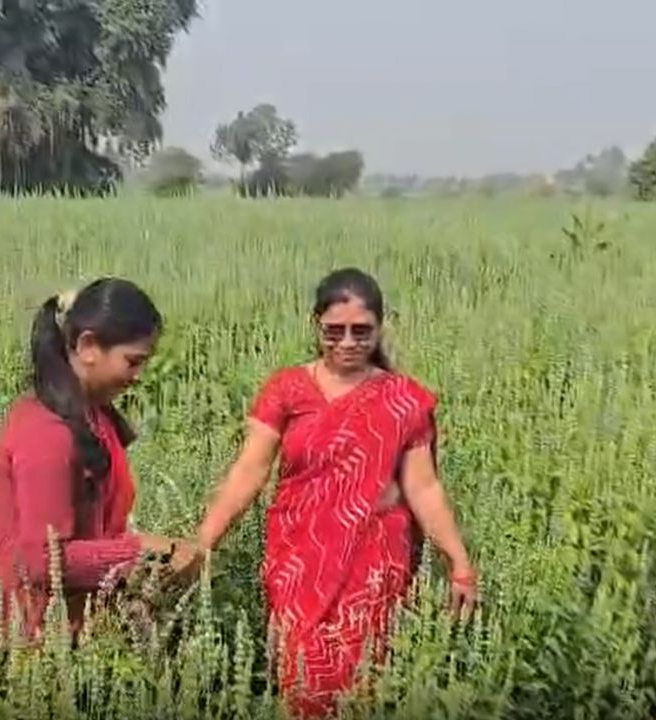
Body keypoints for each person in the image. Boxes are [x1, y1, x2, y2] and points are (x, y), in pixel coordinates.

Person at [195, 268, 478, 718]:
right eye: (335, 331)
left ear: (381, 328)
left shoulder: (403, 399)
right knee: (301, 676)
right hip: (299, 558)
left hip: (373, 562)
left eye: (361, 331)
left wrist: (459, 562)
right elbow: (249, 469)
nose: (348, 342)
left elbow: (423, 487)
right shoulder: (287, 389)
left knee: (364, 682)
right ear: (316, 326)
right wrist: (202, 543)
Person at [0, 277, 201, 640]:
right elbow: (40, 560)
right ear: (88, 346)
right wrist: (142, 551)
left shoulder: (93, 415)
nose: (140, 376)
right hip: (30, 641)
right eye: (132, 361)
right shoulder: (46, 433)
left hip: (74, 628)